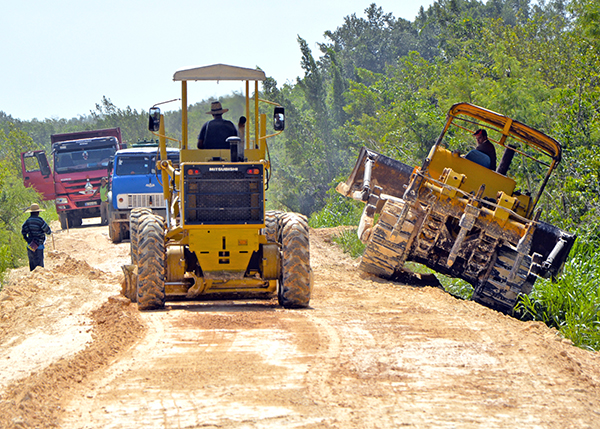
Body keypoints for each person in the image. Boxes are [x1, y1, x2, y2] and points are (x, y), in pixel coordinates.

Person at [21, 203, 52, 271]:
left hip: (30, 245)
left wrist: (27, 240)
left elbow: (23, 232)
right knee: (40, 267)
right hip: (39, 245)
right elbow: (48, 231)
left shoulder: (27, 221)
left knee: (32, 266)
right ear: (37, 212)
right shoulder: (40, 221)